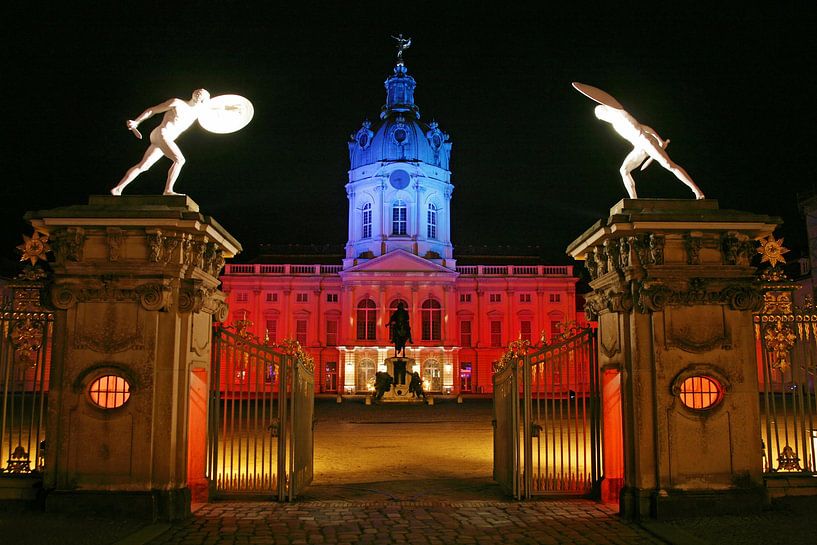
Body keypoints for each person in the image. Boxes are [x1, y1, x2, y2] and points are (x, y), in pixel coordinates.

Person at [573, 82, 705, 200]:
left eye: (601, 115)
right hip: (639, 147)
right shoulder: (615, 125)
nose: (602, 119)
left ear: (605, 111)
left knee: (669, 165)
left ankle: (697, 191)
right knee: (624, 170)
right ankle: (634, 201)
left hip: (646, 140)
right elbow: (643, 126)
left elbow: (643, 127)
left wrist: (659, 140)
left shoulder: (620, 114)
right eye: (600, 118)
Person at [111, 89, 211, 196]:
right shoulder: (177, 103)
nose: (199, 93)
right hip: (163, 133)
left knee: (144, 166)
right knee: (180, 160)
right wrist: (137, 121)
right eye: (198, 91)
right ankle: (168, 190)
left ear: (205, 100)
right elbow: (152, 110)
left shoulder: (199, 112)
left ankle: (117, 189)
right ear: (193, 93)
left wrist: (231, 108)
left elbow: (221, 106)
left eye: (202, 93)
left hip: (164, 138)